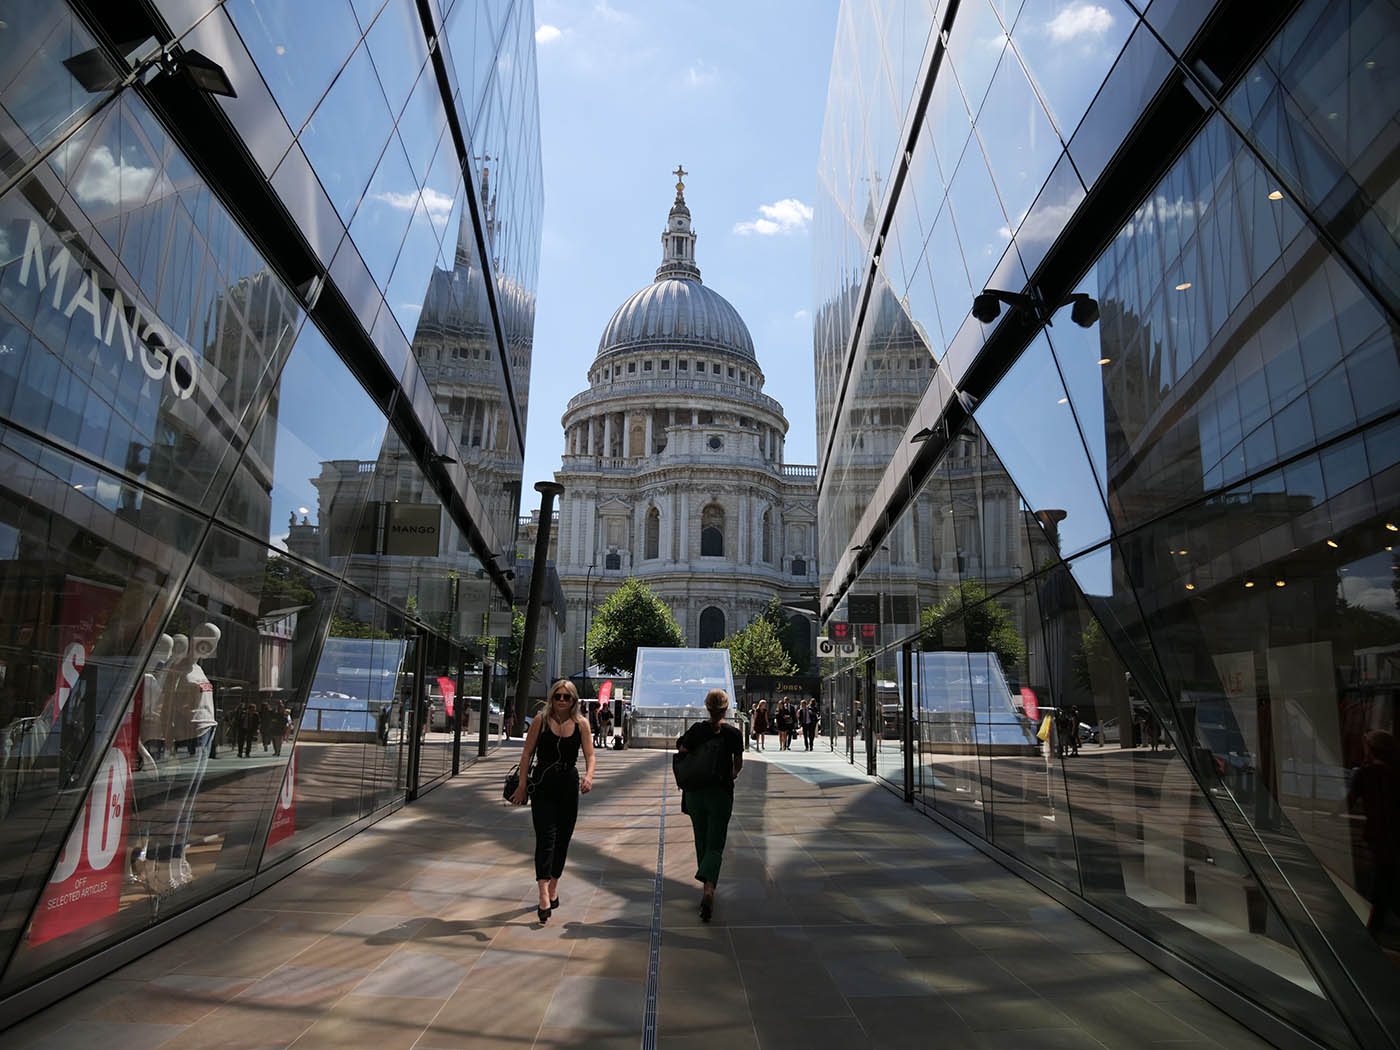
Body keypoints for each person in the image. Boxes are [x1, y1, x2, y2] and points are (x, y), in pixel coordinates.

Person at [511, 679, 595, 923]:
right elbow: (527, 753)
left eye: (566, 697)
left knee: (563, 838)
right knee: (545, 837)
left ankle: (554, 885)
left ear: (573, 700)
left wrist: (589, 777)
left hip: (568, 784)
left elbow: (590, 755)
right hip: (543, 785)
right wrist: (522, 785)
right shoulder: (541, 721)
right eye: (557, 696)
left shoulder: (581, 724)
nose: (561, 700)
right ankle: (542, 893)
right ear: (551, 698)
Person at [675, 688, 742, 921]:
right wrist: (729, 775)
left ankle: (707, 886)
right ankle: (709, 889)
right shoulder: (733, 733)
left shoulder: (696, 730)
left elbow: (682, 751)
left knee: (701, 839)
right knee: (716, 843)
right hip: (721, 793)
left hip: (695, 793)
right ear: (725, 709)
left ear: (707, 706)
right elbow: (737, 766)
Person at [1348, 729, 1400, 934]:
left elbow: (1349, 802)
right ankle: (1376, 923)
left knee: (1382, 879)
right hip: (1395, 834)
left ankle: (1374, 926)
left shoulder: (1365, 774)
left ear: (1371, 750)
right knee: (1386, 876)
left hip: (1378, 834)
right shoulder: (1396, 773)